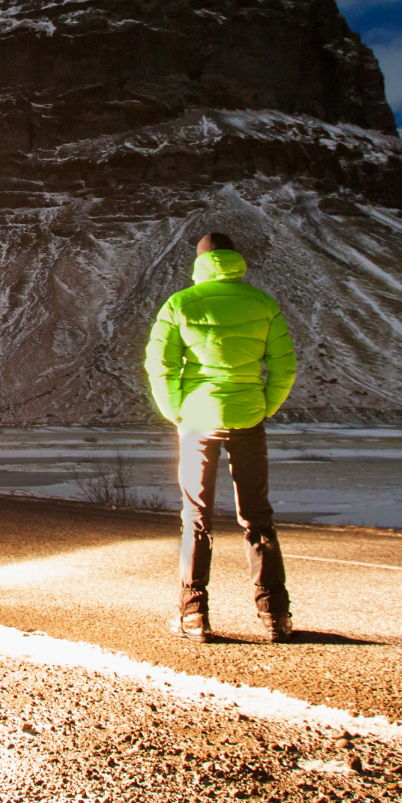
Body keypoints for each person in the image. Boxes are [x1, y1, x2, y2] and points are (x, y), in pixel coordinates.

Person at [143, 231, 297, 643]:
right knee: (258, 515)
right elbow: (285, 367)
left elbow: (159, 365)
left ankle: (193, 615)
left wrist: (176, 410)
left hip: (197, 422)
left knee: (196, 517)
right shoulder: (262, 303)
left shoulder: (180, 304)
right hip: (248, 418)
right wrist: (264, 406)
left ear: (199, 263)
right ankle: (275, 615)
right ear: (235, 260)